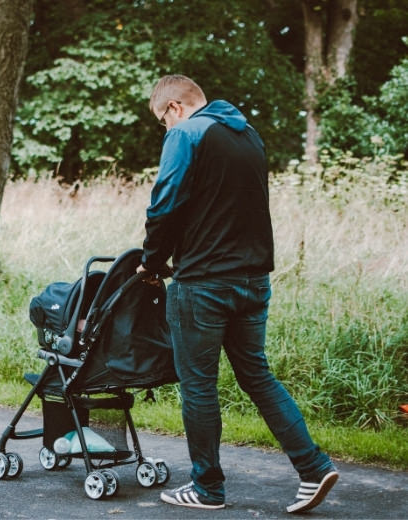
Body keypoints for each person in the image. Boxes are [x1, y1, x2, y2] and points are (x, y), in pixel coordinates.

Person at [136, 75, 338, 513]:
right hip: (253, 281)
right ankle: (314, 467)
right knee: (257, 376)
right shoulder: (249, 136)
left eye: (161, 121)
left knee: (199, 387)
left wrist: (152, 264)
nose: (164, 130)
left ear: (173, 108)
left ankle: (207, 489)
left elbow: (164, 203)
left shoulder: (186, 133)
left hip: (204, 284)